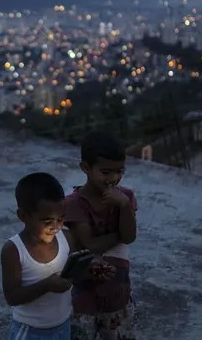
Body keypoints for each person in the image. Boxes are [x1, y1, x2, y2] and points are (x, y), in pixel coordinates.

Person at [64, 131, 138, 340]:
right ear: (85, 168)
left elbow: (130, 237)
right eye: (105, 172)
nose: (113, 179)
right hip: (86, 293)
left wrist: (124, 206)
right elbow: (92, 246)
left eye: (119, 171)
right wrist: (119, 235)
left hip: (118, 291)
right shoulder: (74, 203)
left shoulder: (125, 197)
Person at [1, 172, 75, 340]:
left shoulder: (66, 237)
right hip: (30, 331)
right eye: (47, 221)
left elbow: (75, 270)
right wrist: (47, 285)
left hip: (63, 325)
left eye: (61, 219)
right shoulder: (14, 250)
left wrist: (91, 269)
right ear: (23, 216)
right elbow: (12, 297)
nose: (55, 227)